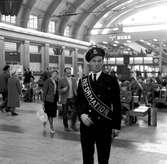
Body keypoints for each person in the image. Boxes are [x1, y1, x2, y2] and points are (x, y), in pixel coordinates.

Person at [76, 46, 122, 164]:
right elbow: (79, 102)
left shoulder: (111, 80)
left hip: (104, 126)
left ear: (103, 62)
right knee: (87, 157)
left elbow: (116, 104)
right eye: (94, 61)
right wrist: (81, 115)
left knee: (103, 158)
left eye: (99, 61)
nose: (97, 64)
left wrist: (116, 126)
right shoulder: (83, 81)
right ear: (89, 63)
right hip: (86, 126)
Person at [59, 67, 78, 131]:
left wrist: (77, 94)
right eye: (67, 72)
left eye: (69, 72)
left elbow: (76, 88)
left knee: (75, 112)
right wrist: (63, 90)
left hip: (73, 98)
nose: (68, 73)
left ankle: (73, 125)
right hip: (65, 99)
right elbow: (58, 90)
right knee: (65, 113)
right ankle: (66, 126)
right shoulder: (61, 80)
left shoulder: (74, 79)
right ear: (64, 73)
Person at [43, 70, 59, 134]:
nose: (55, 75)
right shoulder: (47, 81)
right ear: (51, 74)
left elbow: (57, 91)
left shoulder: (56, 81)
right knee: (50, 114)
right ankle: (51, 127)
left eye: (56, 74)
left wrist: (58, 99)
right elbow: (44, 92)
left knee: (51, 114)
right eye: (54, 73)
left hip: (54, 100)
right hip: (48, 100)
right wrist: (43, 101)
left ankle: (45, 121)